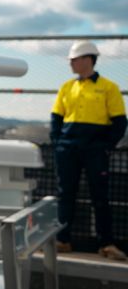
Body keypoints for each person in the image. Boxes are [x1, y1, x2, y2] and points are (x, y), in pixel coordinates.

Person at [51, 40, 127, 260]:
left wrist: (105, 146)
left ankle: (106, 244)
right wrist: (59, 143)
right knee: (65, 194)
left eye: (74, 60)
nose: (71, 64)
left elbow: (120, 122)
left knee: (100, 196)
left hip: (95, 150)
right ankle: (63, 240)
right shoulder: (67, 87)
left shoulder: (109, 87)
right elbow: (56, 118)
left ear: (87, 60)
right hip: (68, 149)